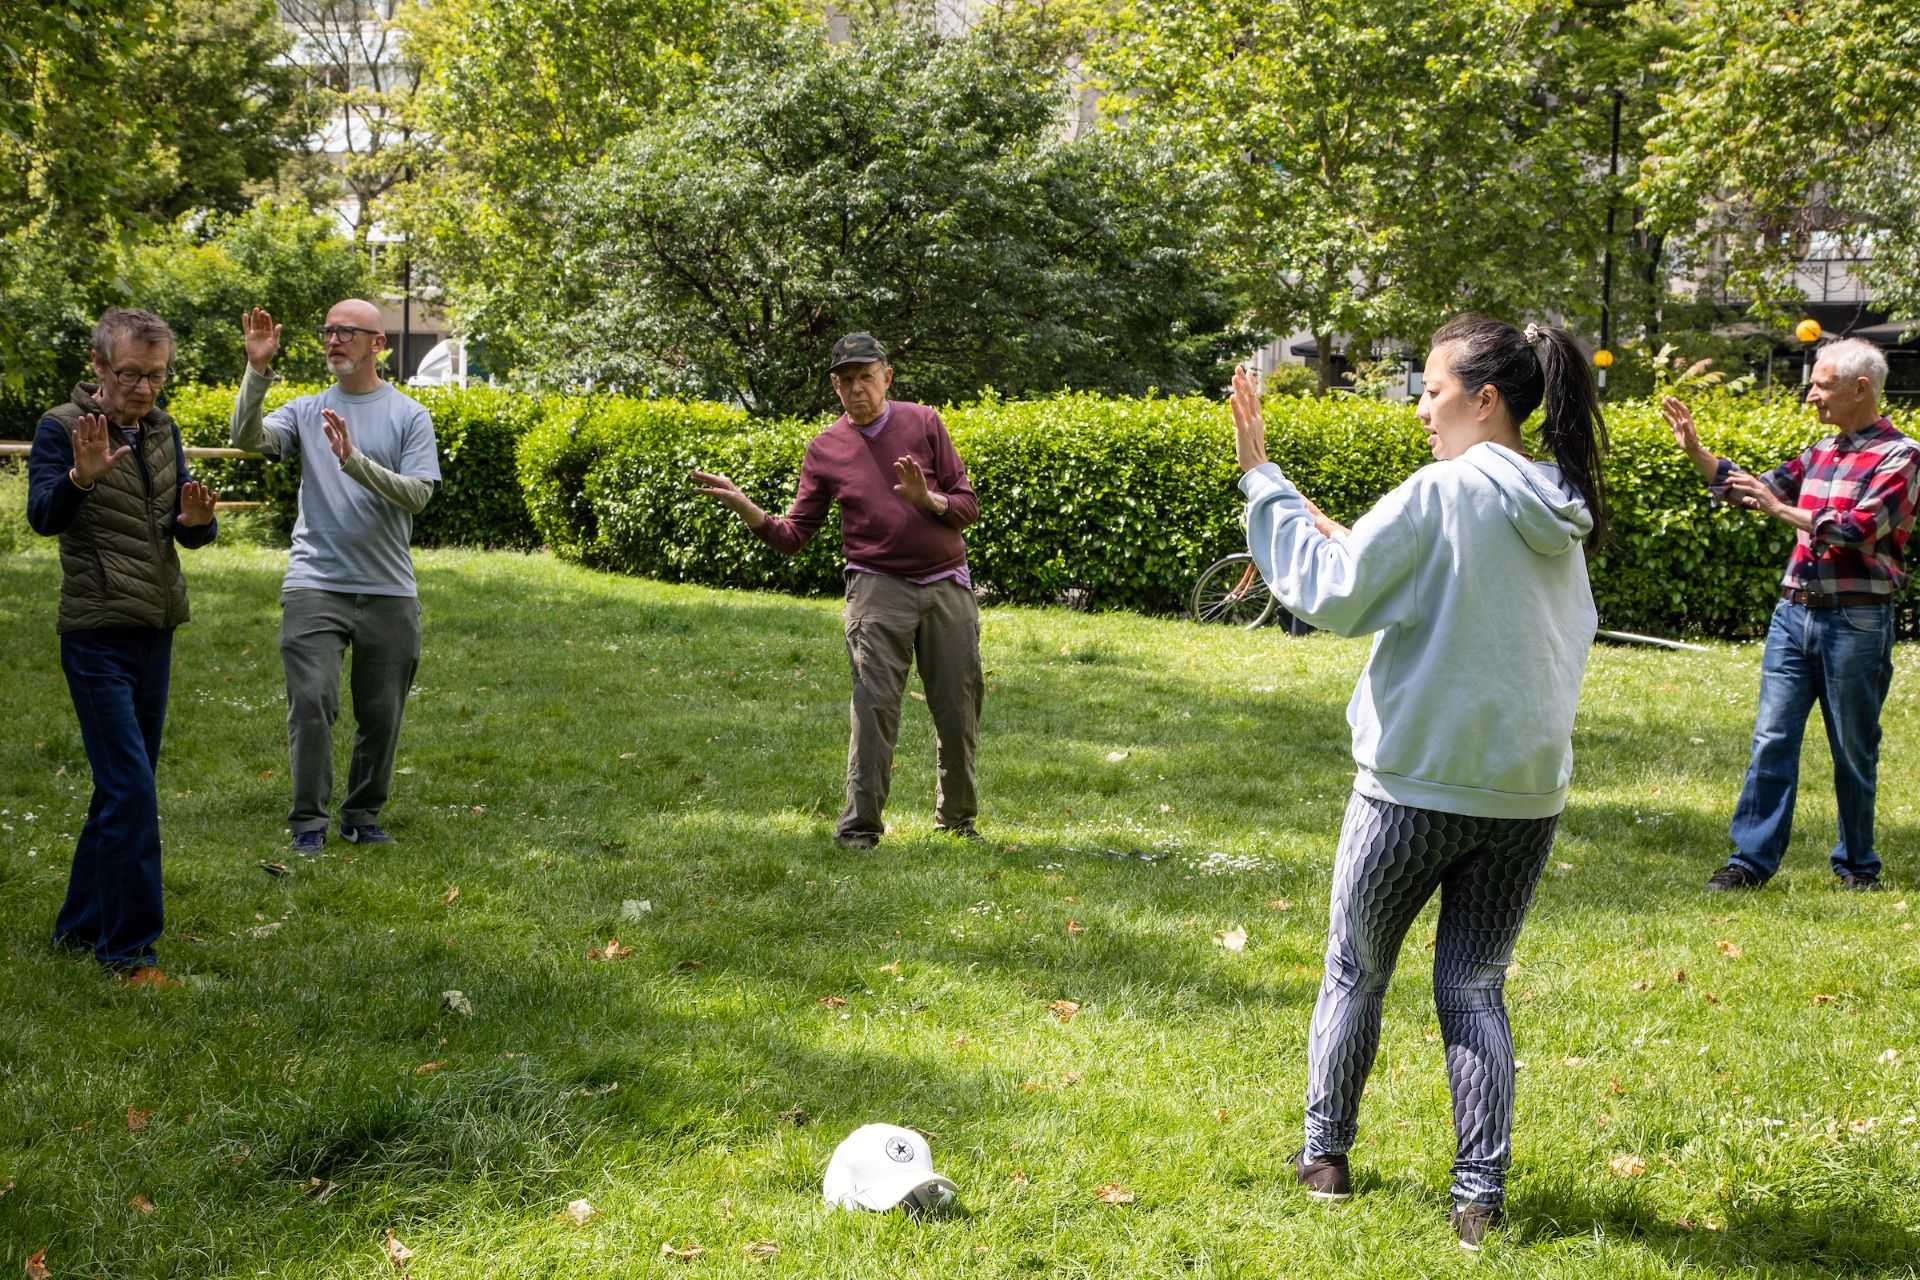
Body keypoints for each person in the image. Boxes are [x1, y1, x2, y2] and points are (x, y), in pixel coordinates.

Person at [1232, 318, 1608, 1250]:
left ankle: (1325, 1160)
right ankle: (1478, 1203)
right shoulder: (1561, 499)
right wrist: (1349, 534)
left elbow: (1331, 595)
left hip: (1411, 788)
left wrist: (1260, 478)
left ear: (1485, 399)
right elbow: (1467, 593)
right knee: (1474, 987)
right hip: (1524, 795)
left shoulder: (1444, 488)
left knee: (1356, 969)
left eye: (1432, 390)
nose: (1421, 409)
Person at [691, 333, 983, 849]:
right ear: (834, 384)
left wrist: (929, 499)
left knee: (958, 708)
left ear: (886, 377)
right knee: (873, 711)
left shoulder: (924, 422)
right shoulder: (825, 449)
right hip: (875, 588)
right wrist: (746, 507)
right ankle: (860, 830)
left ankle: (957, 824)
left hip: (945, 586)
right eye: (846, 380)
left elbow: (966, 506)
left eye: (866, 377)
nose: (856, 389)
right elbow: (793, 536)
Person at [1663, 338, 1916, 893]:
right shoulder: (1823, 450)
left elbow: (1859, 528)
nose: (1810, 397)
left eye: (1820, 386)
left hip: (1856, 621)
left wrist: (1783, 510)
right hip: (1792, 615)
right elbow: (1759, 491)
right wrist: (1700, 455)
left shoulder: (1902, 456)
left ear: (1861, 389)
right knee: (1772, 738)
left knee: (1853, 746)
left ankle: (1856, 866)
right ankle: (1749, 863)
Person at [26, 308, 218, 987]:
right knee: (132, 791)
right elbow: (44, 516)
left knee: (120, 792)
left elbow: (180, 531)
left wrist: (198, 525)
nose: (142, 390)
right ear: (99, 365)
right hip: (95, 634)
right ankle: (130, 956)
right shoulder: (61, 428)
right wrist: (79, 477)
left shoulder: (165, 432)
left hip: (155, 629)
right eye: (130, 374)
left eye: (156, 376)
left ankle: (78, 929)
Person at [230, 303, 440, 854]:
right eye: (327, 331)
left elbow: (418, 494)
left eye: (346, 332)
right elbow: (247, 438)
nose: (333, 341)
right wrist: (257, 372)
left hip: (389, 588)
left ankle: (362, 815)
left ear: (378, 343)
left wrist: (354, 461)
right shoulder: (305, 410)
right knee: (311, 700)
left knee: (381, 713)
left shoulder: (409, 415)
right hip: (314, 583)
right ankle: (307, 825)